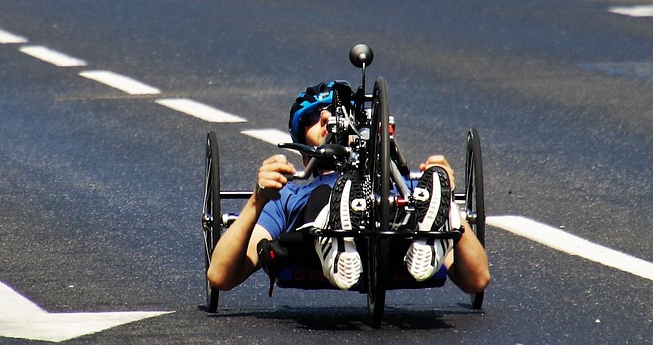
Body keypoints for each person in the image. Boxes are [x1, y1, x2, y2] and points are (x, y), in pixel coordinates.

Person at [206, 81, 492, 296]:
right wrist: (257, 199)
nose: (327, 120)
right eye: (312, 118)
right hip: (314, 243)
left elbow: (477, 280)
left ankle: (430, 234)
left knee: (424, 194)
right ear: (303, 147)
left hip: (399, 242)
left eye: (334, 112)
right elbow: (220, 276)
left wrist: (449, 200)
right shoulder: (287, 196)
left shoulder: (408, 188)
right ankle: (335, 233)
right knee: (322, 196)